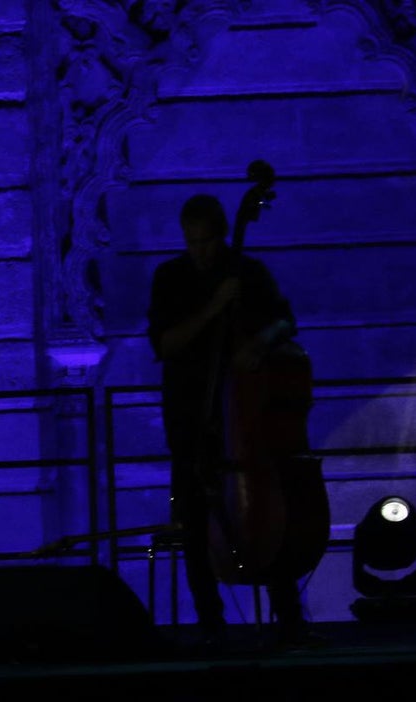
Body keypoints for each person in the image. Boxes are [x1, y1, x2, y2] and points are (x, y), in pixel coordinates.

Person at [146, 193, 317, 652]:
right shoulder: (170, 277)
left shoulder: (248, 272)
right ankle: (211, 626)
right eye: (192, 242)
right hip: (190, 416)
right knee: (194, 522)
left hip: (246, 420)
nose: (199, 251)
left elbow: (286, 321)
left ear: (222, 234)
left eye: (206, 241)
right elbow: (164, 344)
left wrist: (259, 342)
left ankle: (290, 620)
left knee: (265, 511)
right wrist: (213, 307)